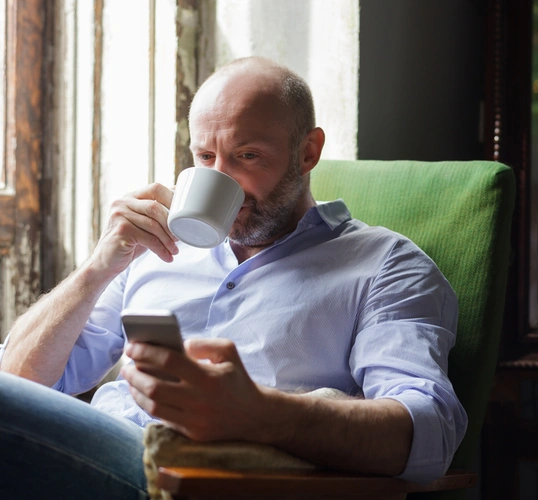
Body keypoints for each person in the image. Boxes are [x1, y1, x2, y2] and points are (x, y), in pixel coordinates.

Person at [0, 56, 466, 499]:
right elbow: (20, 379)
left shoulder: (384, 265)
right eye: (205, 157)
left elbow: (430, 432)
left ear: (308, 152)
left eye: (247, 155)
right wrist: (97, 267)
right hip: (101, 451)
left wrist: (258, 414)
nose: (223, 180)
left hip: (187, 482)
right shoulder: (155, 250)